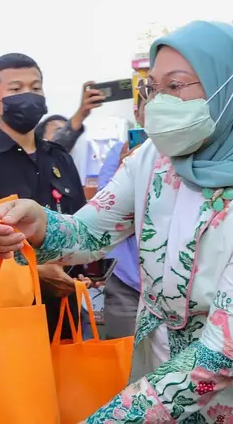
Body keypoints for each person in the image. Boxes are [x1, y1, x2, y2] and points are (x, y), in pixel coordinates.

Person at [0, 21, 233, 423]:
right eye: (153, 87)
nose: (157, 103)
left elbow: (223, 355)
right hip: (156, 391)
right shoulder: (156, 159)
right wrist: (39, 223)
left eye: (177, 85)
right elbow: (90, 232)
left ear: (229, 89)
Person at [0, 53, 91, 339]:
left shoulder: (60, 159)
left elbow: (81, 224)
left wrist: (82, 273)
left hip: (66, 308)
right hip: (8, 314)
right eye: (15, 89)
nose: (29, 95)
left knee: (72, 382)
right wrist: (35, 271)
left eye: (36, 87)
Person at [96, 95, 146, 339]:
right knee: (124, 362)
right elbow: (103, 208)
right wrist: (122, 171)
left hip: (180, 283)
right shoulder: (119, 152)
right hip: (126, 278)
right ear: (138, 114)